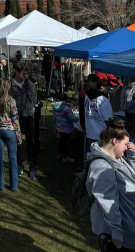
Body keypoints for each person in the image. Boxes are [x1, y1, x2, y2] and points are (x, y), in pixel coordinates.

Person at [86, 119, 135, 251]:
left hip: (127, 228)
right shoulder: (102, 167)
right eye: (125, 144)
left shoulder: (117, 158)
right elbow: (108, 202)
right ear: (114, 141)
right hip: (118, 236)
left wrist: (132, 157)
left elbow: (132, 177)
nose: (127, 147)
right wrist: (117, 231)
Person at [0, 78, 22, 191]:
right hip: (9, 130)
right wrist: (19, 136)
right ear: (7, 87)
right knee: (12, 158)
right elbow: (15, 119)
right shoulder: (11, 100)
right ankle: (14, 185)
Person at [9, 63, 38, 179]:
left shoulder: (30, 85)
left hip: (29, 117)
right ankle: (19, 164)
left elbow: (34, 99)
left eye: (26, 74)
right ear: (16, 72)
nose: (25, 76)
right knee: (17, 142)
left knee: (31, 142)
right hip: (16, 118)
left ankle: (33, 167)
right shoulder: (10, 85)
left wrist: (31, 110)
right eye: (23, 74)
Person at [85, 74, 113, 152]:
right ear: (102, 87)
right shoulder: (103, 100)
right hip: (101, 134)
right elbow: (108, 119)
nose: (108, 90)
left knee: (90, 156)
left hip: (90, 132)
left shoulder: (86, 97)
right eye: (107, 88)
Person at [51, 92, 79, 163]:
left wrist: (55, 125)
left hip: (59, 127)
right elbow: (72, 118)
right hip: (67, 128)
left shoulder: (55, 107)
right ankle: (65, 156)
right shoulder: (67, 108)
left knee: (62, 141)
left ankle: (59, 154)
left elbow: (54, 118)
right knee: (66, 142)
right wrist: (78, 118)